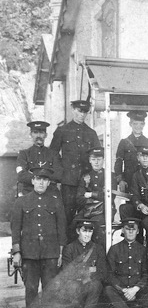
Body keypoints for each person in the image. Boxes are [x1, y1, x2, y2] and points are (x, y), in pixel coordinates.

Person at [10, 167, 66, 308]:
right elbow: (15, 229)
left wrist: (60, 252)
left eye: (44, 180)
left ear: (48, 182)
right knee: (31, 288)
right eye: (38, 179)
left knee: (49, 287)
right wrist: (17, 252)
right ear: (33, 181)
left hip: (50, 253)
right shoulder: (21, 202)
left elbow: (61, 229)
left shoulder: (56, 201)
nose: (41, 182)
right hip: (29, 253)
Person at [49, 99, 100, 235]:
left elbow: (98, 156)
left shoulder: (91, 133)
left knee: (88, 213)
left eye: (85, 112)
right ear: (73, 110)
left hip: (86, 182)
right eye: (79, 111)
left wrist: (91, 174)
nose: (82, 114)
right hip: (68, 181)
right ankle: (68, 248)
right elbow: (53, 155)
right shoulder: (62, 131)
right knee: (67, 214)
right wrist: (61, 173)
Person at [105, 218, 148, 308]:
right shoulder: (114, 249)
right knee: (108, 289)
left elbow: (146, 274)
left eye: (133, 229)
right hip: (121, 292)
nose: (130, 232)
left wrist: (135, 289)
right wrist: (123, 290)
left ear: (138, 231)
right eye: (127, 229)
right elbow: (109, 274)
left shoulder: (143, 250)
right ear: (123, 230)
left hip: (137, 291)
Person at [61, 219, 107, 308]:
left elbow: (102, 271)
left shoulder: (98, 249)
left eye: (90, 231)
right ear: (78, 231)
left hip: (91, 283)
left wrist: (89, 279)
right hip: (74, 283)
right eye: (84, 231)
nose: (87, 234)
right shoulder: (70, 248)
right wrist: (82, 278)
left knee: (96, 285)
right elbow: (67, 272)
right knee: (74, 287)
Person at [73, 147, 116, 247]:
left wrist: (91, 194)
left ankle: (99, 254)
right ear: (89, 160)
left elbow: (110, 197)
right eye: (93, 159)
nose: (96, 162)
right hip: (88, 211)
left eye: (99, 159)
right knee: (74, 224)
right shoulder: (86, 177)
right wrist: (98, 197)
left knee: (97, 226)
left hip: (104, 210)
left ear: (103, 160)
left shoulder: (110, 176)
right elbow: (79, 198)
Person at [16, 121, 62, 196]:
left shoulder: (54, 154)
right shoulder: (24, 154)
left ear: (46, 135)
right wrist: (43, 179)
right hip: (29, 193)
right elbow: (21, 175)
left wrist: (37, 178)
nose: (38, 135)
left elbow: (59, 174)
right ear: (30, 134)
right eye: (35, 132)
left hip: (50, 194)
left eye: (41, 132)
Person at [115, 110, 148, 192]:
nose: (138, 126)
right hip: (129, 181)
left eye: (141, 124)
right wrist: (120, 180)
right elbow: (118, 163)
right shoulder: (124, 142)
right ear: (130, 124)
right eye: (135, 124)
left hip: (146, 180)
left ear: (144, 124)